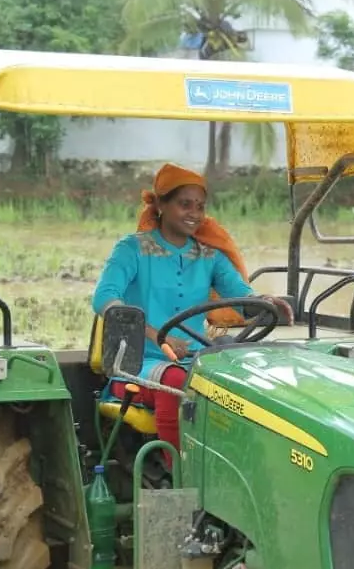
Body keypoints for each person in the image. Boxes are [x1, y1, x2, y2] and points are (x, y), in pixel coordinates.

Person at [91, 163, 291, 462]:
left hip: (195, 359)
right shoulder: (132, 249)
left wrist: (264, 301)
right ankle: (180, 473)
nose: (194, 213)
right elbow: (105, 297)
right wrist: (158, 337)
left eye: (200, 206)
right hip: (139, 364)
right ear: (161, 205)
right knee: (174, 381)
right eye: (185, 204)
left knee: (244, 376)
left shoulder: (209, 256)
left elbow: (240, 295)